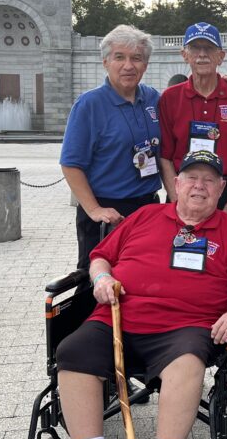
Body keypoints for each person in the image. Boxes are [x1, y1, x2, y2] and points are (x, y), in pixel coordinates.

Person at [39, 150, 227, 439]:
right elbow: (100, 255)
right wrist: (102, 277)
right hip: (117, 319)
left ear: (220, 190)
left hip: (185, 329)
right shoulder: (146, 216)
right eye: (192, 178)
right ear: (177, 184)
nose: (199, 186)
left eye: (208, 180)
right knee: (72, 351)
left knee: (187, 362)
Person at [61, 25, 162, 270]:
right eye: (120, 57)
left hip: (148, 207)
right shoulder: (89, 104)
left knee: (144, 277)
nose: (129, 65)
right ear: (105, 62)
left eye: (136, 58)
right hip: (107, 212)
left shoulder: (153, 99)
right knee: (96, 284)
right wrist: (94, 209)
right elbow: (71, 164)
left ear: (145, 65)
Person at [158, 22, 227, 214]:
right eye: (195, 48)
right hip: (184, 189)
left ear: (221, 56)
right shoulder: (170, 98)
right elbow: (165, 157)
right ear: (184, 55)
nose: (202, 54)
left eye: (209, 48)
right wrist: (178, 203)